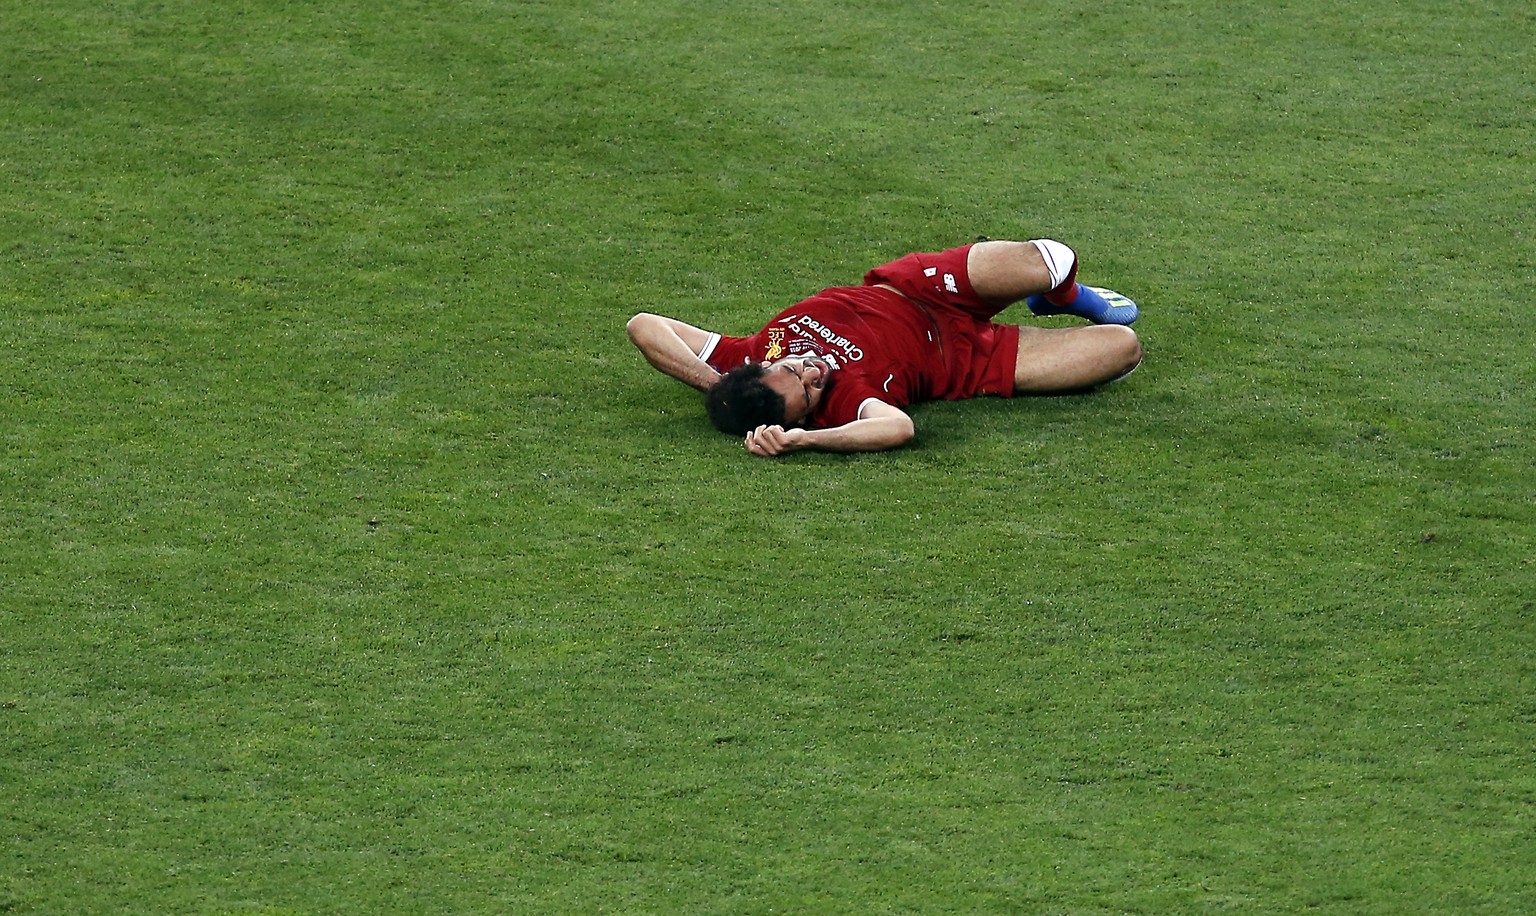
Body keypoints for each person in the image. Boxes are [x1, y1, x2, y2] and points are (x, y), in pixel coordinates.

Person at [626, 238, 1144, 457]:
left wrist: (714, 385)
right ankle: (1053, 309)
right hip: (970, 356)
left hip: (920, 287)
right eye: (808, 392)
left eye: (794, 367)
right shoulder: (842, 406)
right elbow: (899, 427)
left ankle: (1065, 297)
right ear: (803, 417)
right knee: (1123, 348)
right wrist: (804, 441)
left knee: (1052, 259)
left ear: (761, 362)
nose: (814, 370)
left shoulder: (746, 354)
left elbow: (643, 325)